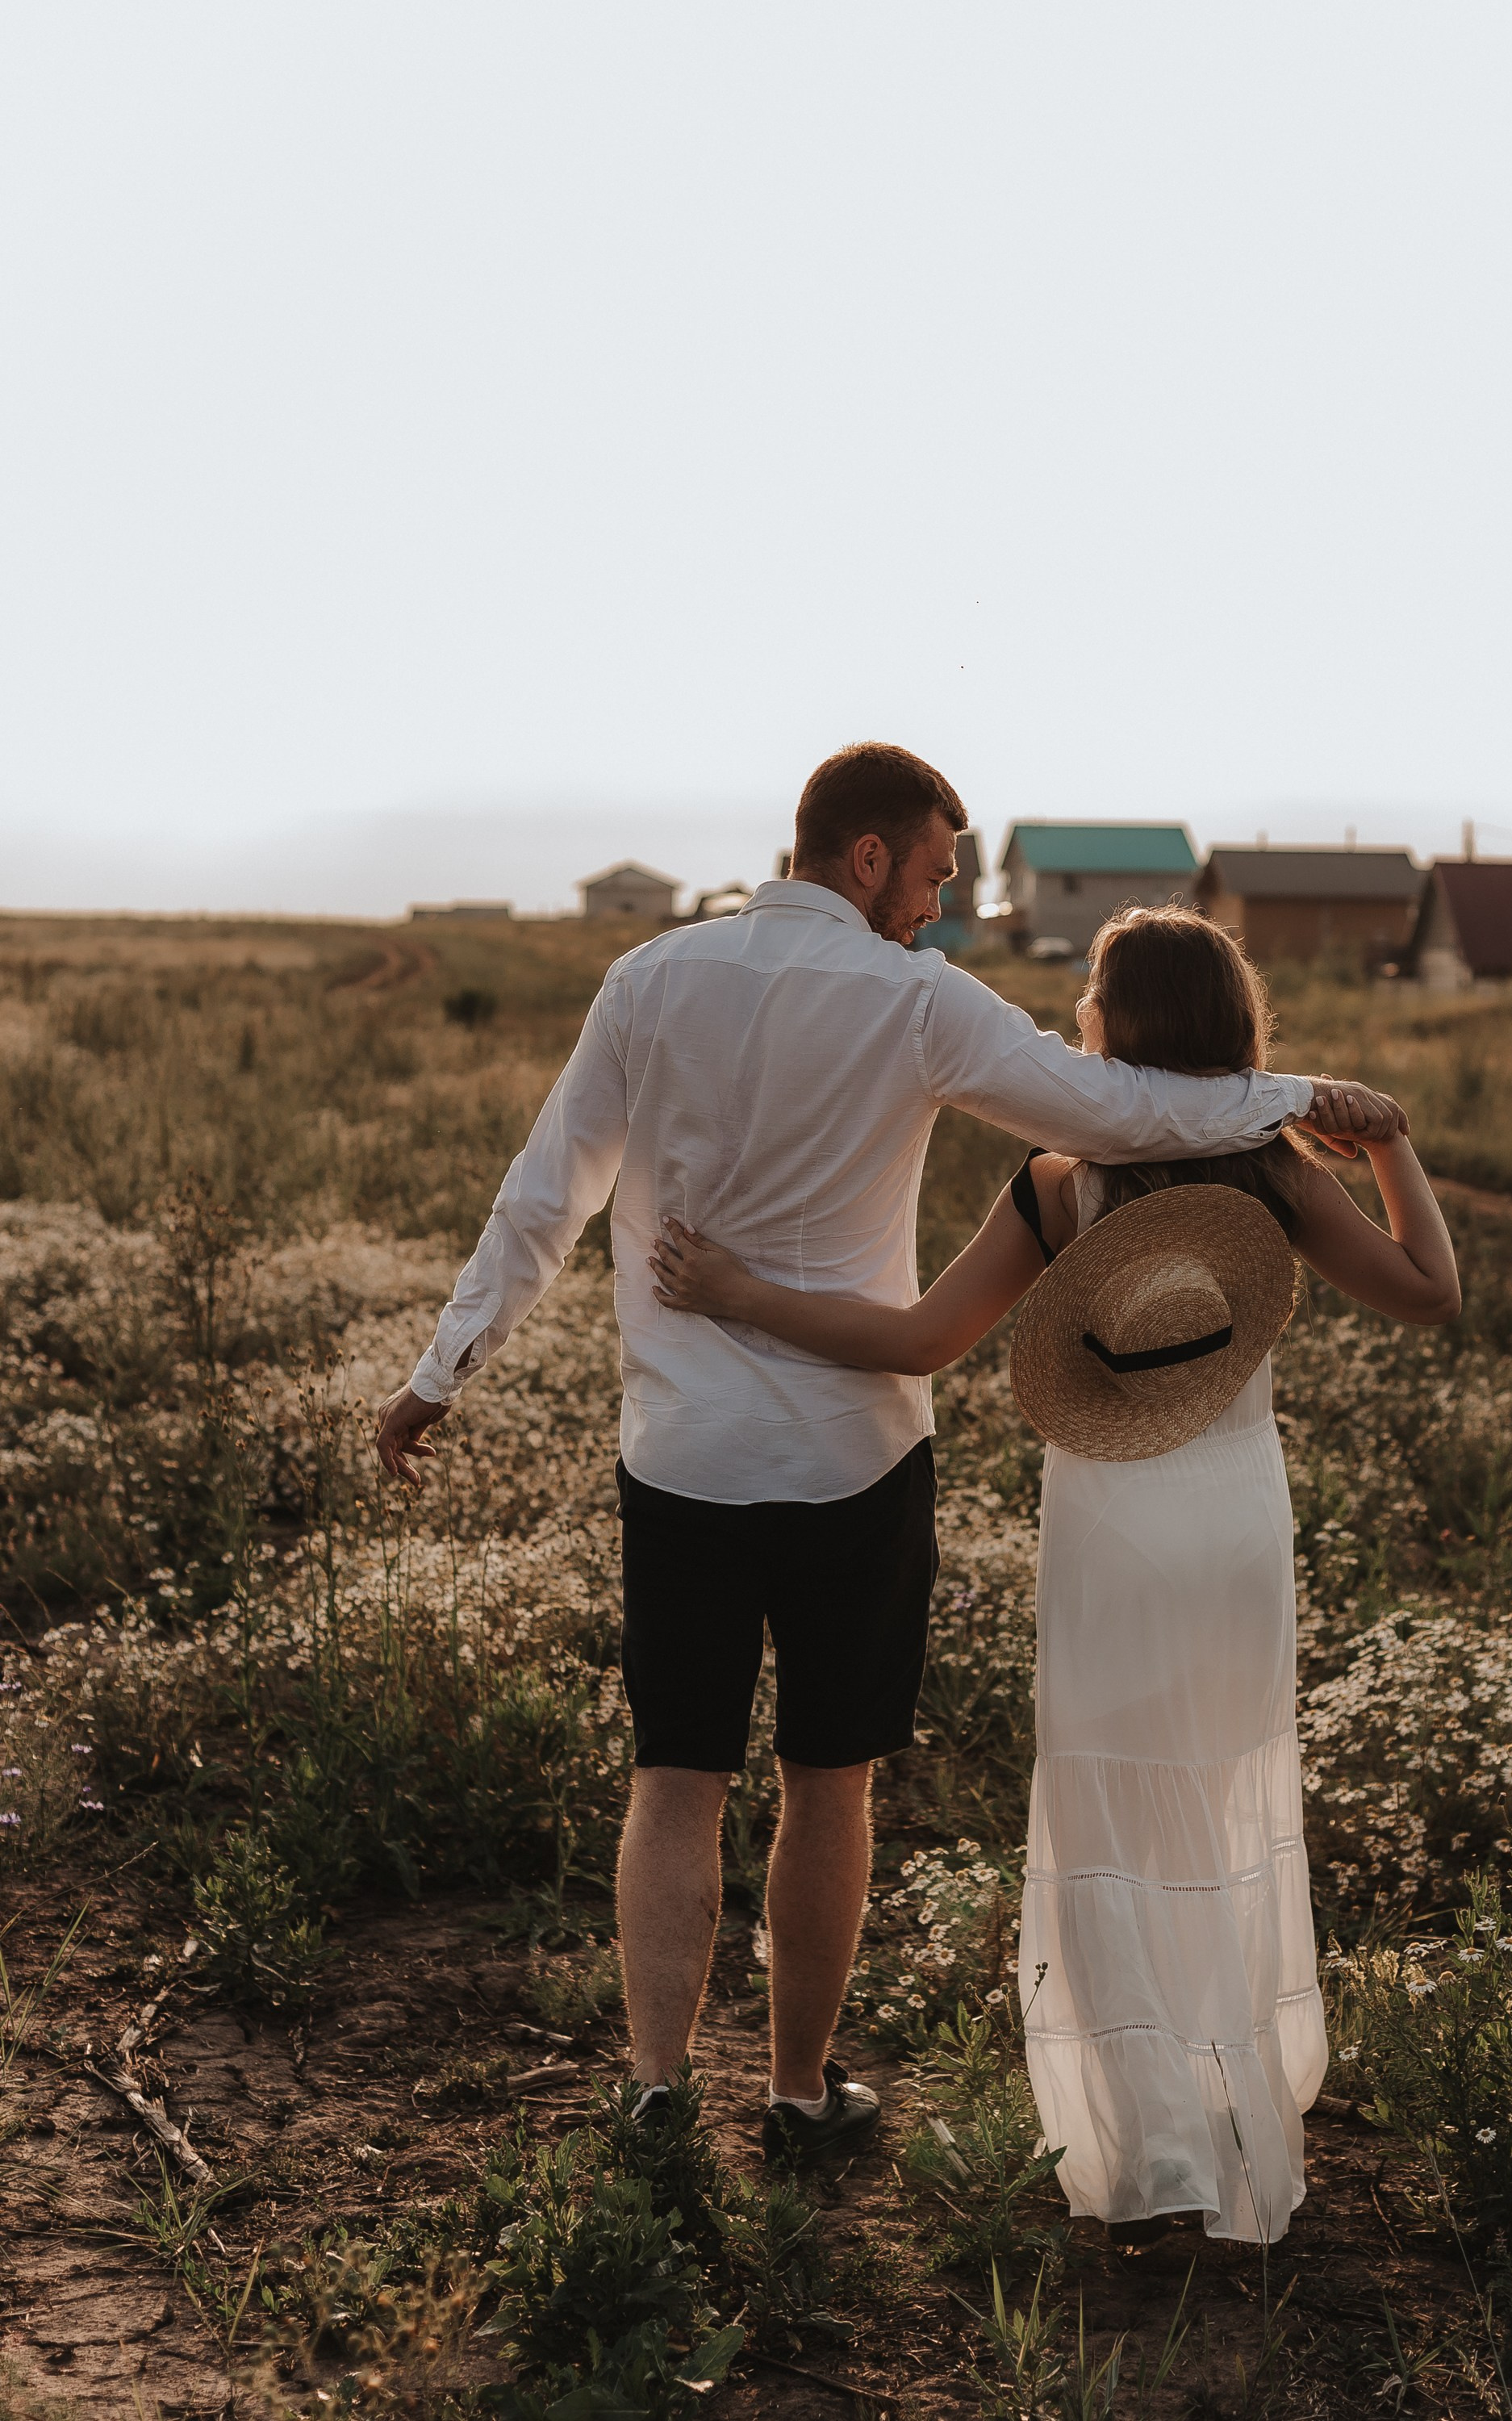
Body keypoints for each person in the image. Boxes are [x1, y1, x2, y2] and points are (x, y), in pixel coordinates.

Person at [376, 742, 1405, 2164]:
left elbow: (544, 1195)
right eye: (928, 873)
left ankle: (660, 2089)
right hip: (858, 1459)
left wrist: (444, 1372)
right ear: (866, 856)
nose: (933, 906)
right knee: (827, 1783)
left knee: (675, 1776)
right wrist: (1289, 1096)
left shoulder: (649, 981)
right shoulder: (919, 1003)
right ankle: (801, 2098)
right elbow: (1119, 1109)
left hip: (680, 1453)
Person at [649, 901, 1458, 2231]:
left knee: (1115, 1815)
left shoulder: (1062, 1177)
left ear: (1126, 1024)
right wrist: (1387, 1148)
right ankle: (1235, 2101)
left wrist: (745, 1297)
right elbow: (1432, 1292)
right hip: (1239, 1524)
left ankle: (1150, 2145)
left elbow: (919, 1340)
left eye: (1090, 987)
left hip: (1117, 1531)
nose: (1075, 1006)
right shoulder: (1274, 1167)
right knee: (1221, 1786)